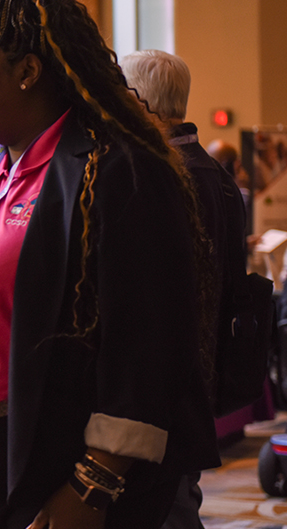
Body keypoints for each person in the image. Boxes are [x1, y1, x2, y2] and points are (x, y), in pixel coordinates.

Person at [0, 0, 220, 529]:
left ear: (27, 72)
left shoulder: (119, 169)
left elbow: (152, 343)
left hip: (59, 463)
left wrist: (93, 482)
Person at [122, 49, 247, 529]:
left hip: (166, 379)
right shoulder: (216, 176)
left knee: (166, 507)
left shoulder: (162, 174)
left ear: (139, 100)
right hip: (202, 372)